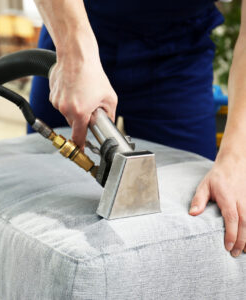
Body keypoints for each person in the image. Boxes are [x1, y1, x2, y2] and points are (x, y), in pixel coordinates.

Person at [30, 0, 246, 257]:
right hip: (76, 23)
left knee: (200, 221)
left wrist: (237, 157)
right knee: (44, 220)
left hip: (178, 51)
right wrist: (75, 52)